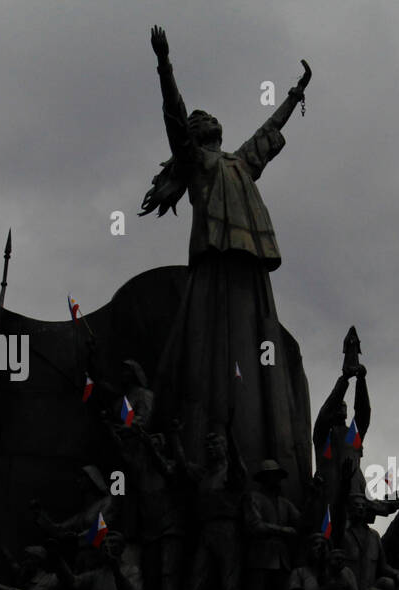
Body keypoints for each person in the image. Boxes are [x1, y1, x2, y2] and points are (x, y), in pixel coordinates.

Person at [140, 24, 313, 507]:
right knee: (217, 340)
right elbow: (174, 114)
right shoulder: (198, 163)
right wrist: (164, 63)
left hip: (250, 264)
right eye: (201, 119)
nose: (205, 117)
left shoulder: (239, 163)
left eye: (208, 116)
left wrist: (295, 94)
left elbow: (270, 130)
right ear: (195, 138)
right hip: (216, 262)